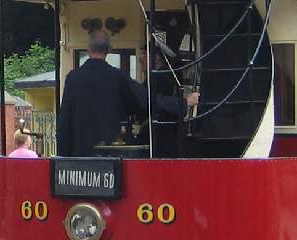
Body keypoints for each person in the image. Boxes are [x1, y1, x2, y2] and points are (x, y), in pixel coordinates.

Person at [57, 29, 200, 156]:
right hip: (108, 154)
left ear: (88, 49)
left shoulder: (72, 78)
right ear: (109, 50)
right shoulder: (117, 77)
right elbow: (148, 100)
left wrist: (62, 157)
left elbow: (64, 120)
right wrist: (184, 102)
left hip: (79, 155)